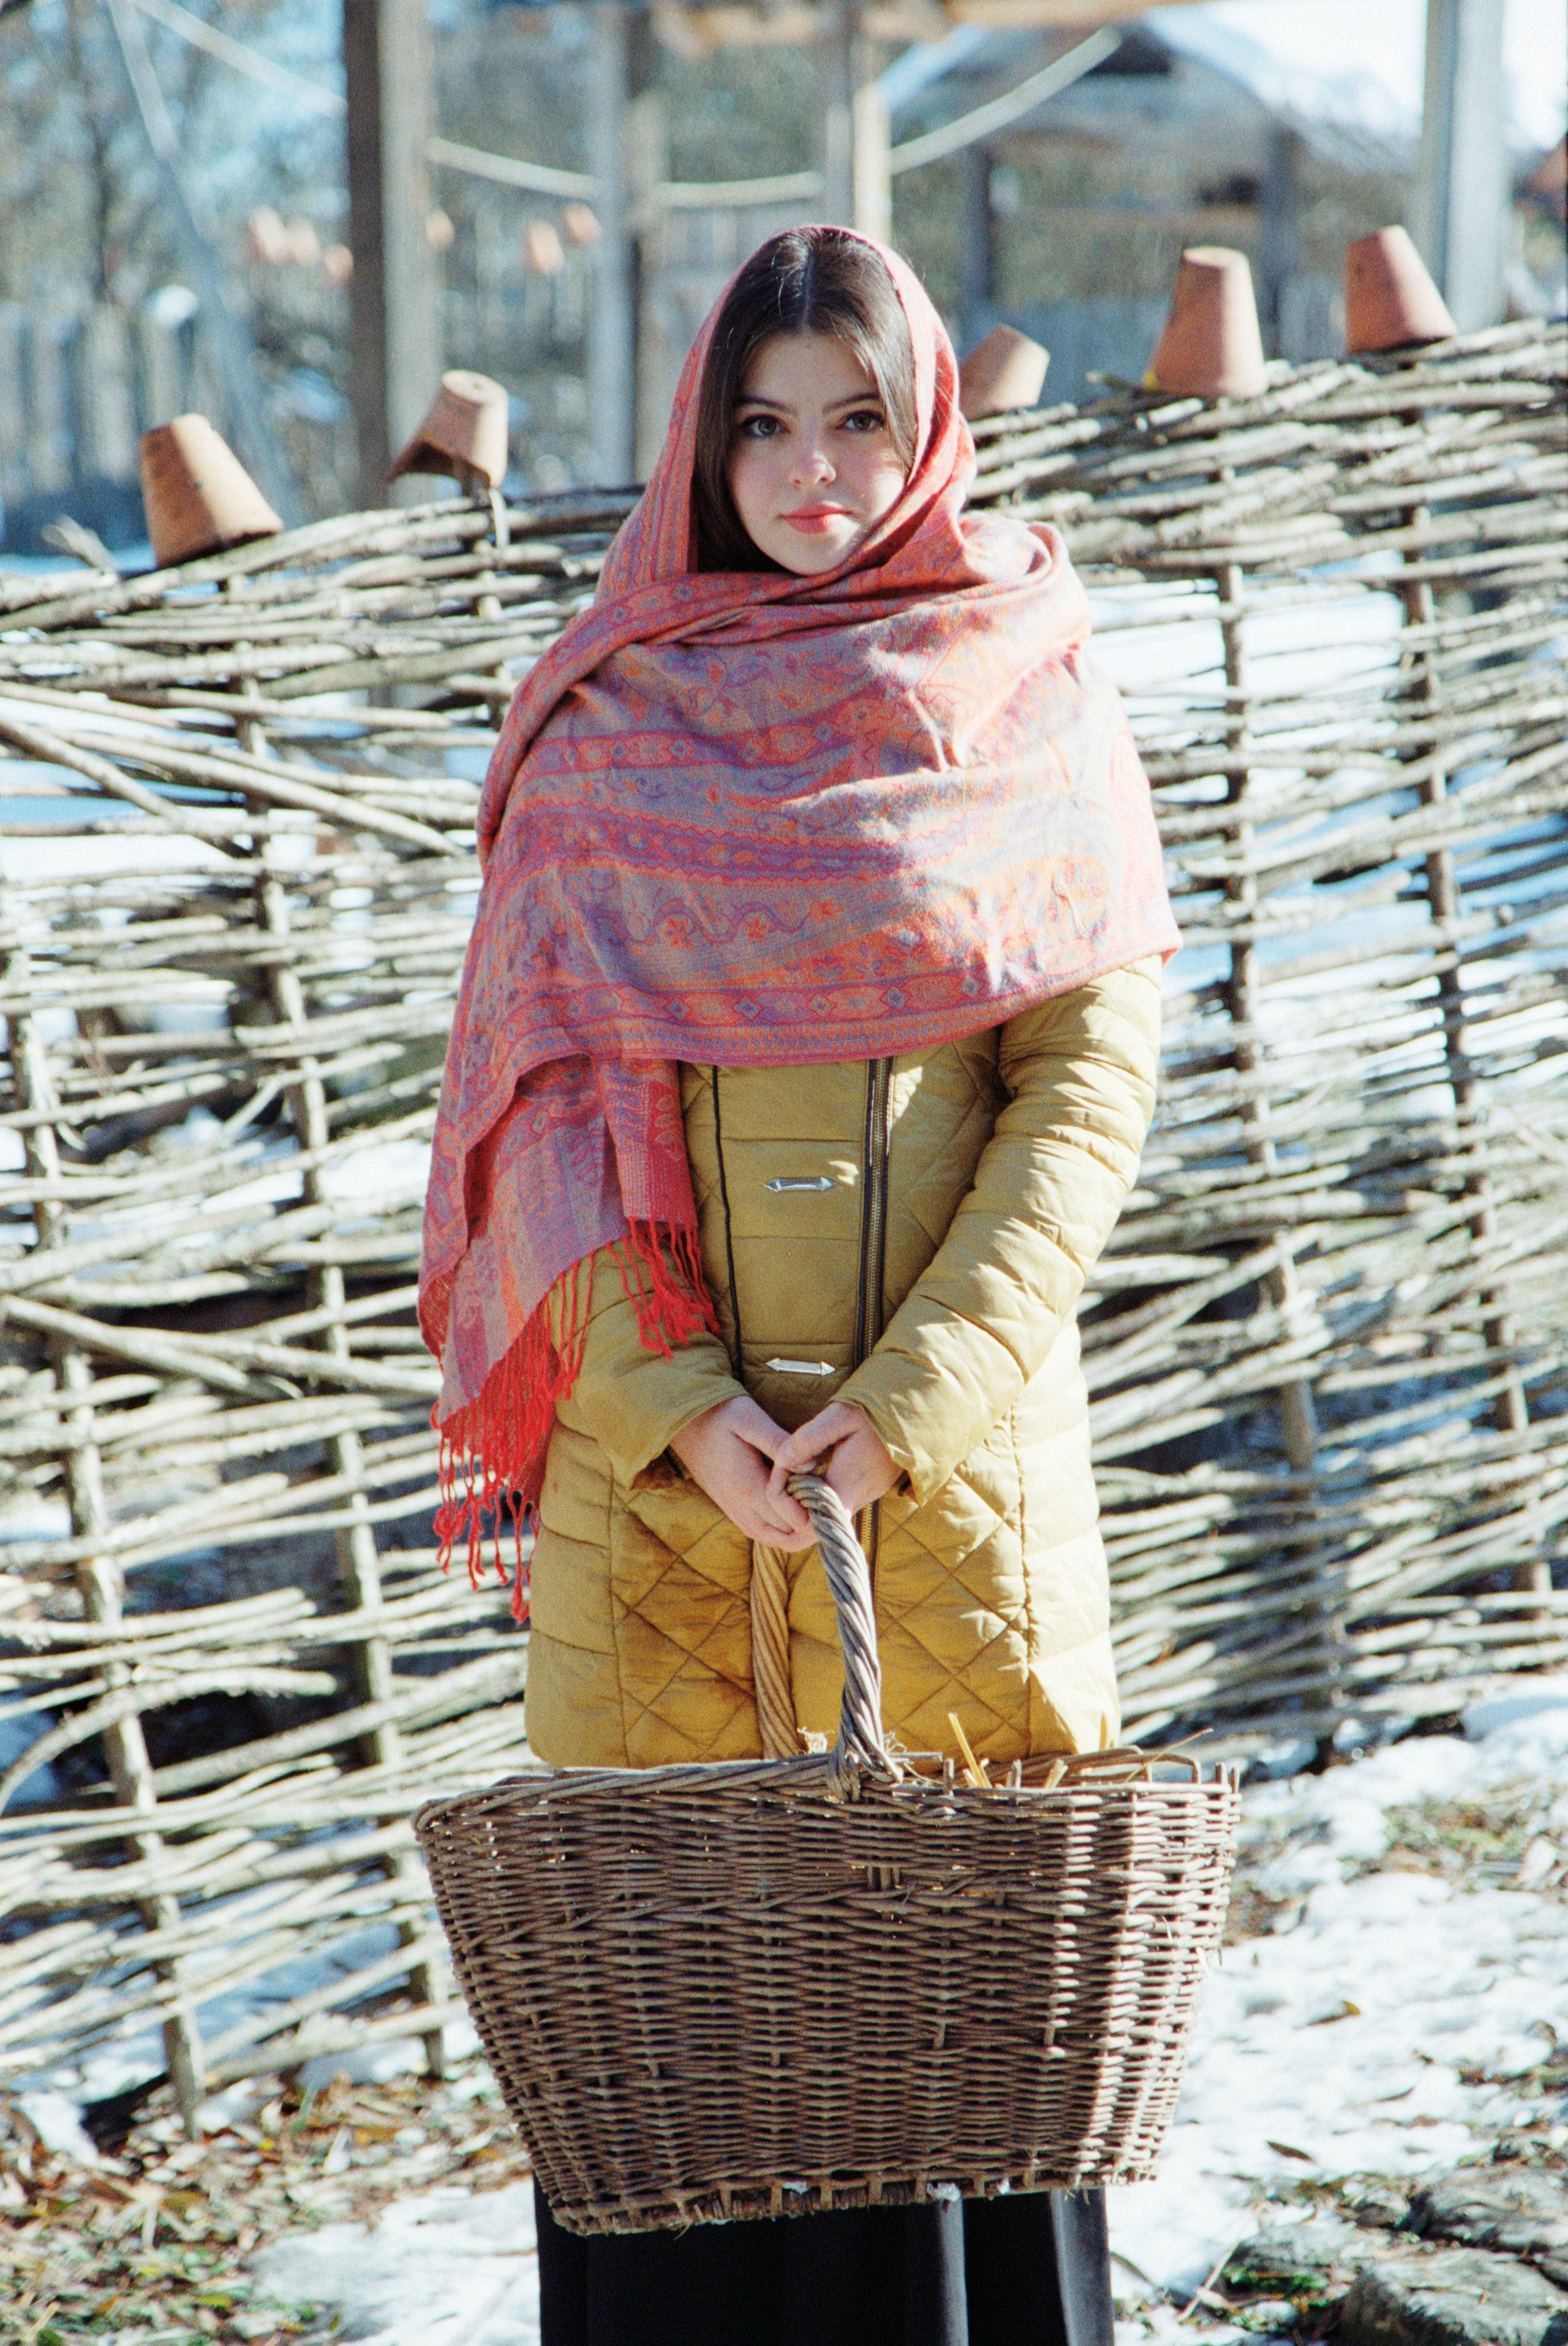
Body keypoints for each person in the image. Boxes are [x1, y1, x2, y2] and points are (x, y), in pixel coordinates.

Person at [420, 227, 1178, 2346]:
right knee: (680, 2113)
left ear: (927, 421)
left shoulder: (1021, 675)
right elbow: (538, 1111)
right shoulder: (606, 715)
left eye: (859, 417)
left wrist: (914, 1398)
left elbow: (1080, 1090)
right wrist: (678, 1406)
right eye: (766, 424)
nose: (815, 469)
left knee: (959, 2099)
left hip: (949, 1519)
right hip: (661, 1517)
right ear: (703, 442)